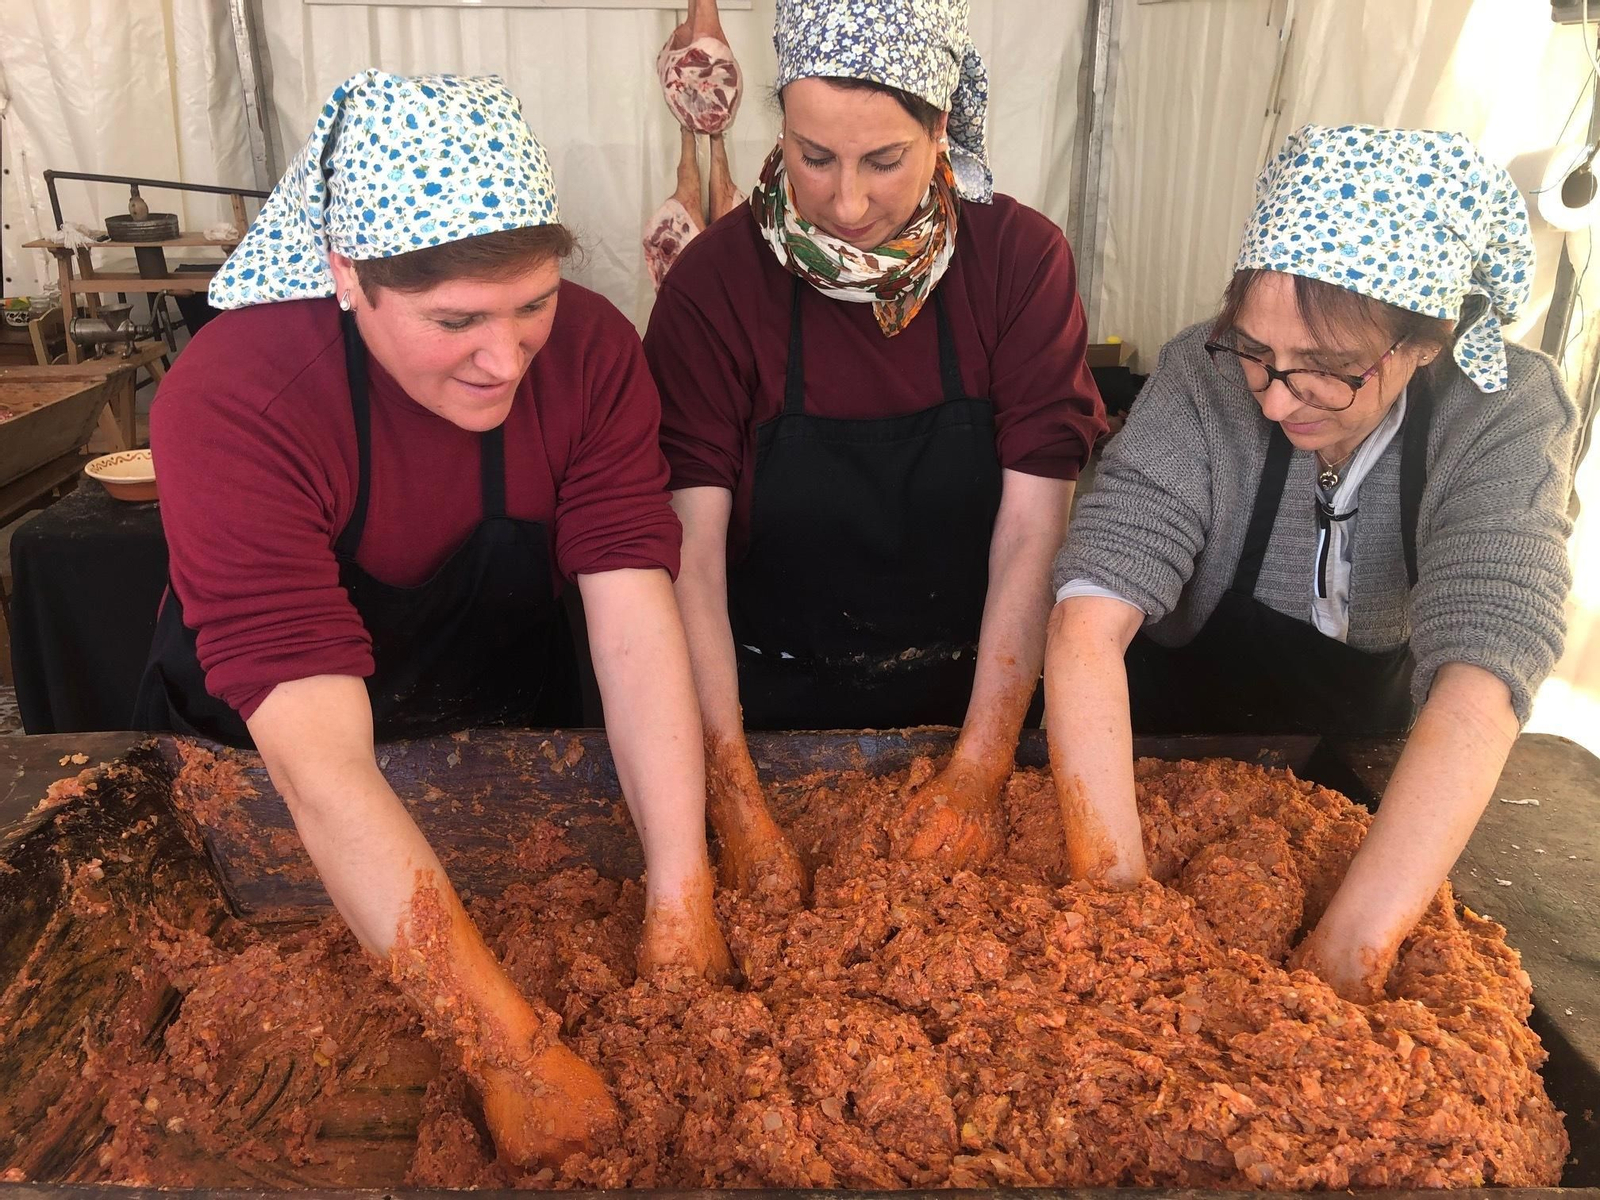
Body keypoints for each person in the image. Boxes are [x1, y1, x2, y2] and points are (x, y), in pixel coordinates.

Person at [133, 71, 730, 1164]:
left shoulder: (592, 355)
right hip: (274, 786)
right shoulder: (237, 397)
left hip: (496, 727)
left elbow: (635, 624)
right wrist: (507, 1053)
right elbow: (318, 769)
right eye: (454, 321)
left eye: (533, 304)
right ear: (345, 276)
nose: (505, 360)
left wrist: (679, 901)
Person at [1046, 123, 1577, 1002]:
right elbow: (1087, 619)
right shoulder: (1201, 377)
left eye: (1327, 370)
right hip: (1160, 758)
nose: (1277, 395)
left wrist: (1350, 955)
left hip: (1365, 783)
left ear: (1427, 340)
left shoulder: (1503, 415)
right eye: (1256, 350)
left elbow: (1485, 670)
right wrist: (1117, 908)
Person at [645, 0, 1106, 896]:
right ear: (781, 122)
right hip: (768, 707)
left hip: (977, 695)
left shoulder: (1018, 261)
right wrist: (734, 796)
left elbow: (1031, 531)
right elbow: (688, 558)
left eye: (884, 160)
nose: (847, 202)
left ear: (940, 128)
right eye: (814, 157)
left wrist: (977, 773)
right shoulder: (716, 284)